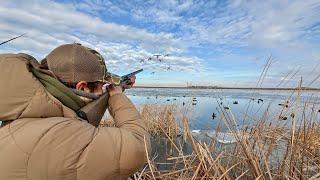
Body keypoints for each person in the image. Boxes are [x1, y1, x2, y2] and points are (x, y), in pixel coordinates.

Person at [0, 43, 150, 180]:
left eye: (105, 87)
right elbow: (139, 145)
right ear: (82, 88)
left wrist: (117, 87)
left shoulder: (24, 114)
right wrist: (116, 95)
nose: (102, 92)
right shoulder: (62, 134)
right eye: (101, 87)